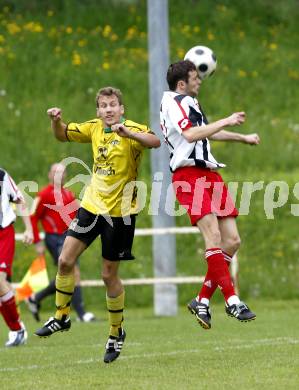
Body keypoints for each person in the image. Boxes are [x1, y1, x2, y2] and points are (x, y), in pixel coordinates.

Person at [35, 87, 160, 363]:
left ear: (121, 109)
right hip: (91, 207)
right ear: (98, 111)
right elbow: (62, 134)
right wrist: (56, 120)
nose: (108, 110)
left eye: (113, 105)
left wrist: (131, 134)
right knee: (65, 260)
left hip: (121, 214)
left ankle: (116, 333)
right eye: (103, 106)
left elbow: (154, 141)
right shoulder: (93, 128)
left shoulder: (132, 130)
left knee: (107, 275)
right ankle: (62, 316)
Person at [160, 60, 260, 329]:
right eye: (196, 77)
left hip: (210, 174)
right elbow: (191, 134)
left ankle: (201, 299)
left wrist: (243, 137)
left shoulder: (189, 102)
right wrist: (226, 119)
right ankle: (232, 300)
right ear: (182, 83)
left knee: (232, 240)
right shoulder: (174, 102)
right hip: (189, 176)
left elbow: (207, 134)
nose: (200, 80)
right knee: (213, 237)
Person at [27, 163, 95, 323]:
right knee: (73, 272)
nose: (60, 175)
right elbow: (32, 217)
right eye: (56, 172)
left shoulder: (68, 194)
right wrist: (37, 242)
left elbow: (77, 216)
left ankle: (35, 298)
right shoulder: (43, 195)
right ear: (50, 175)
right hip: (54, 238)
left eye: (63, 172)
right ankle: (81, 314)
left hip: (70, 238)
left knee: (68, 274)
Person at [0, 167, 33, 346]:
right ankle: (16, 329)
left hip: (3, 234)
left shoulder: (1, 175)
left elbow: (20, 199)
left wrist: (28, 228)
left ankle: (17, 329)